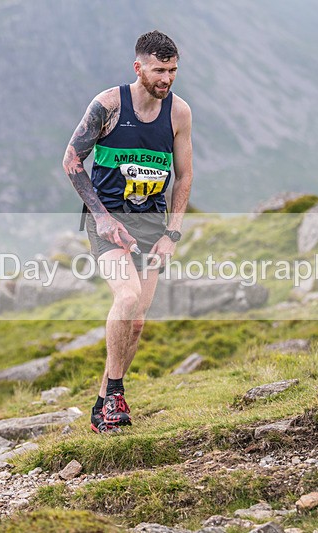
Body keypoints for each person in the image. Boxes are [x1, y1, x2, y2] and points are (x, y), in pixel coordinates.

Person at [62, 30, 193, 433]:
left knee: (136, 322)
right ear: (138, 68)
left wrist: (172, 233)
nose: (166, 79)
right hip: (109, 222)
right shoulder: (108, 105)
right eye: (158, 70)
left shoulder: (179, 113)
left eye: (172, 70)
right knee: (128, 295)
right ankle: (118, 391)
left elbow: (184, 176)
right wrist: (100, 215)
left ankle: (104, 403)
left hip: (152, 225)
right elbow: (71, 160)